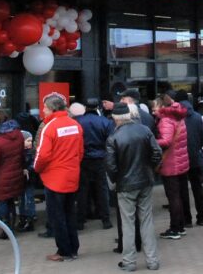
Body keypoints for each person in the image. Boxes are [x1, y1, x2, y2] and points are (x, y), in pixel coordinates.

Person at [106, 102, 162, 272]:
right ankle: (152, 260)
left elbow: (111, 166)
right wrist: (150, 169)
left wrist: (115, 180)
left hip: (125, 184)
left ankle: (129, 262)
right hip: (145, 180)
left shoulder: (114, 137)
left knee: (128, 223)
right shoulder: (144, 130)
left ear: (115, 118)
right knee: (146, 220)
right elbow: (157, 153)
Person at [34, 93, 85, 262]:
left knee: (57, 217)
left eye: (45, 108)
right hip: (72, 176)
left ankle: (64, 251)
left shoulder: (49, 127)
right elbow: (80, 152)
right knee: (70, 213)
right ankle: (73, 249)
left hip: (55, 179)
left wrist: (37, 168)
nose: (43, 110)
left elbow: (42, 155)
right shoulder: (75, 125)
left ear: (52, 109)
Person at [76, 97, 115, 230]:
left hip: (83, 159)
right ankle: (105, 220)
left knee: (82, 190)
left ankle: (80, 220)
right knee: (102, 189)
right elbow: (111, 142)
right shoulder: (105, 122)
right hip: (100, 158)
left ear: (85, 107)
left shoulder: (78, 122)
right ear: (98, 107)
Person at [0, 112, 25, 239]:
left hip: (2, 178)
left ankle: (5, 230)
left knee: (2, 202)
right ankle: (11, 226)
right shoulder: (19, 135)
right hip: (16, 174)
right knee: (11, 201)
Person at [154, 98, 190, 239]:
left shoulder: (166, 120)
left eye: (155, 107)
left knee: (173, 197)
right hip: (181, 162)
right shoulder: (179, 117)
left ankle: (175, 228)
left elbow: (166, 141)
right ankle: (180, 226)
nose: (153, 110)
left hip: (171, 164)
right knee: (179, 196)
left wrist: (151, 140)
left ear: (163, 106)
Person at [174, 90, 203, 228]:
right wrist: (196, 148)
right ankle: (201, 217)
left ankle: (187, 219)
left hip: (180, 158)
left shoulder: (175, 117)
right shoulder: (197, 117)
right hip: (195, 157)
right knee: (197, 188)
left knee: (183, 190)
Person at [15, 111, 39, 232]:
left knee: (26, 197)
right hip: (27, 178)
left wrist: (27, 169)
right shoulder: (26, 152)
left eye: (31, 141)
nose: (30, 143)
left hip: (27, 178)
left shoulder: (28, 152)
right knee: (25, 197)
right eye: (28, 141)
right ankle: (28, 216)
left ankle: (28, 216)